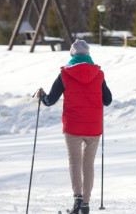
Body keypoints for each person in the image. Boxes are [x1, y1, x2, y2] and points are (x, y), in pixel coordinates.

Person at [37, 39, 112, 214]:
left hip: (72, 126)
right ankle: (85, 204)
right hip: (94, 127)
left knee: (75, 161)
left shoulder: (65, 74)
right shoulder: (99, 74)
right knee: (88, 164)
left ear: (72, 54)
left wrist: (42, 96)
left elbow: (50, 101)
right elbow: (107, 100)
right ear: (88, 55)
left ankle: (77, 198)